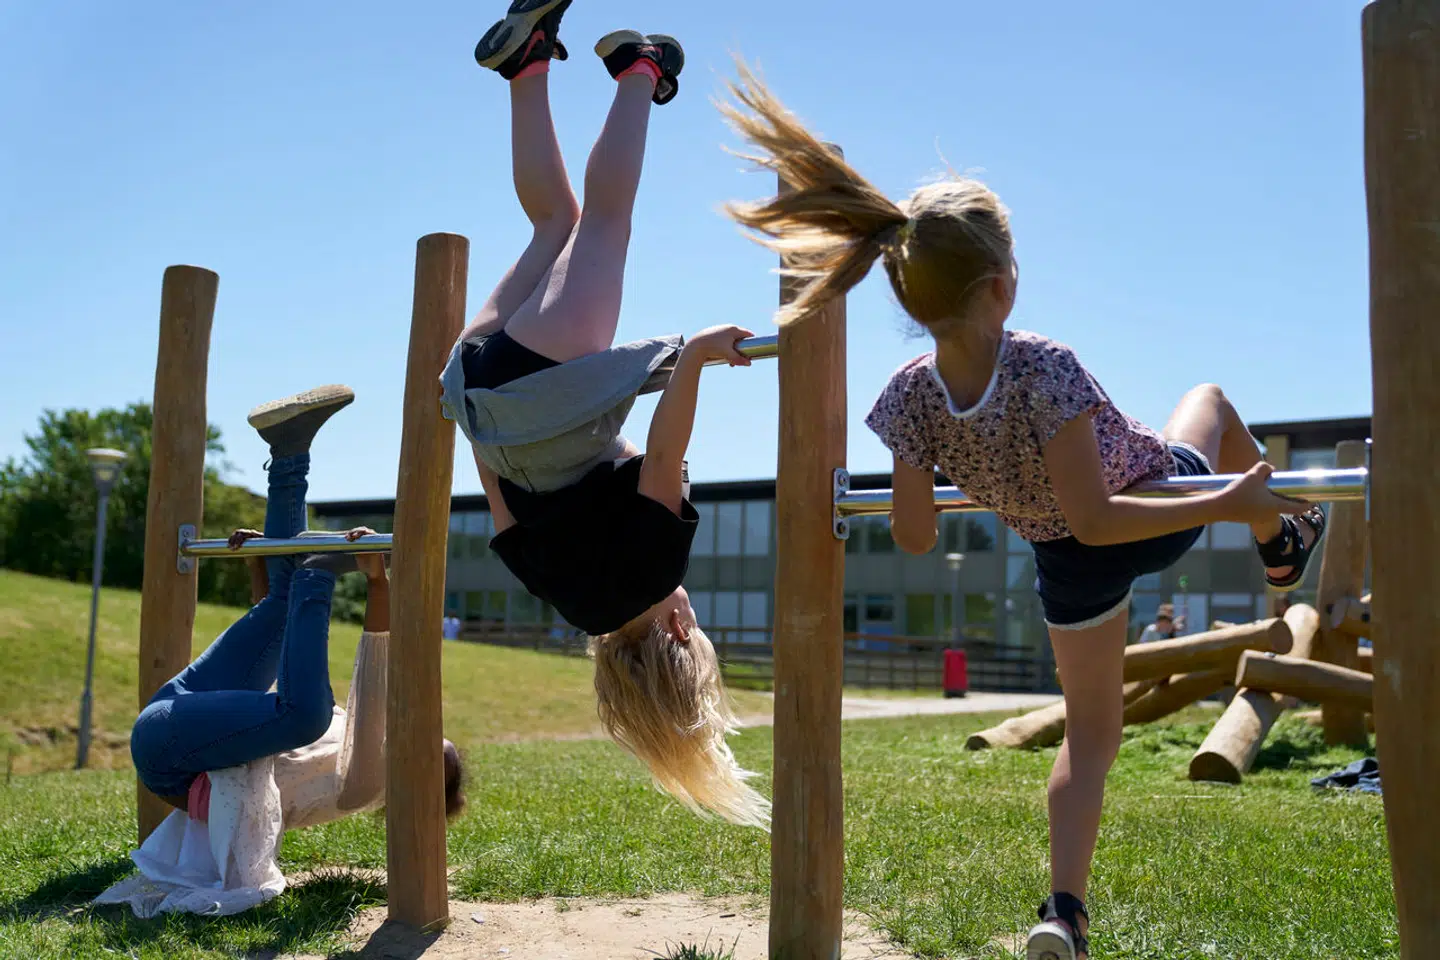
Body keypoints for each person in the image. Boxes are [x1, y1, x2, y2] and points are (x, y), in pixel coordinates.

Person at [717, 63, 1327, 960]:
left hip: (1066, 564)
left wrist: (927, 482)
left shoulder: (908, 398)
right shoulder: (1043, 365)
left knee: (1090, 737)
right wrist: (1235, 503)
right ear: (1003, 284)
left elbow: (919, 537)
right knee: (1211, 397)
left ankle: (1065, 912)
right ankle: (1281, 535)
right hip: (1158, 503)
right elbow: (1102, 514)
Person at [438, 0, 767, 828]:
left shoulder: (654, 573)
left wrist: (689, 359)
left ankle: (641, 70)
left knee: (608, 221)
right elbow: (499, 504)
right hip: (479, 390)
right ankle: (528, 67)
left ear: (682, 634)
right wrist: (475, 409)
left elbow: (666, 451)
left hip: (543, 378)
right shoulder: (574, 606)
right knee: (558, 223)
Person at [109, 386, 465, 916]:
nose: (410, 733)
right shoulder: (354, 740)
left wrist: (378, 585)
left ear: (414, 781)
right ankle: (288, 448)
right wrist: (262, 560)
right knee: (283, 609)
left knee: (306, 712)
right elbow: (273, 679)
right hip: (178, 709)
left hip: (172, 757)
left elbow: (371, 675)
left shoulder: (364, 781)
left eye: (425, 751)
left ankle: (316, 571)